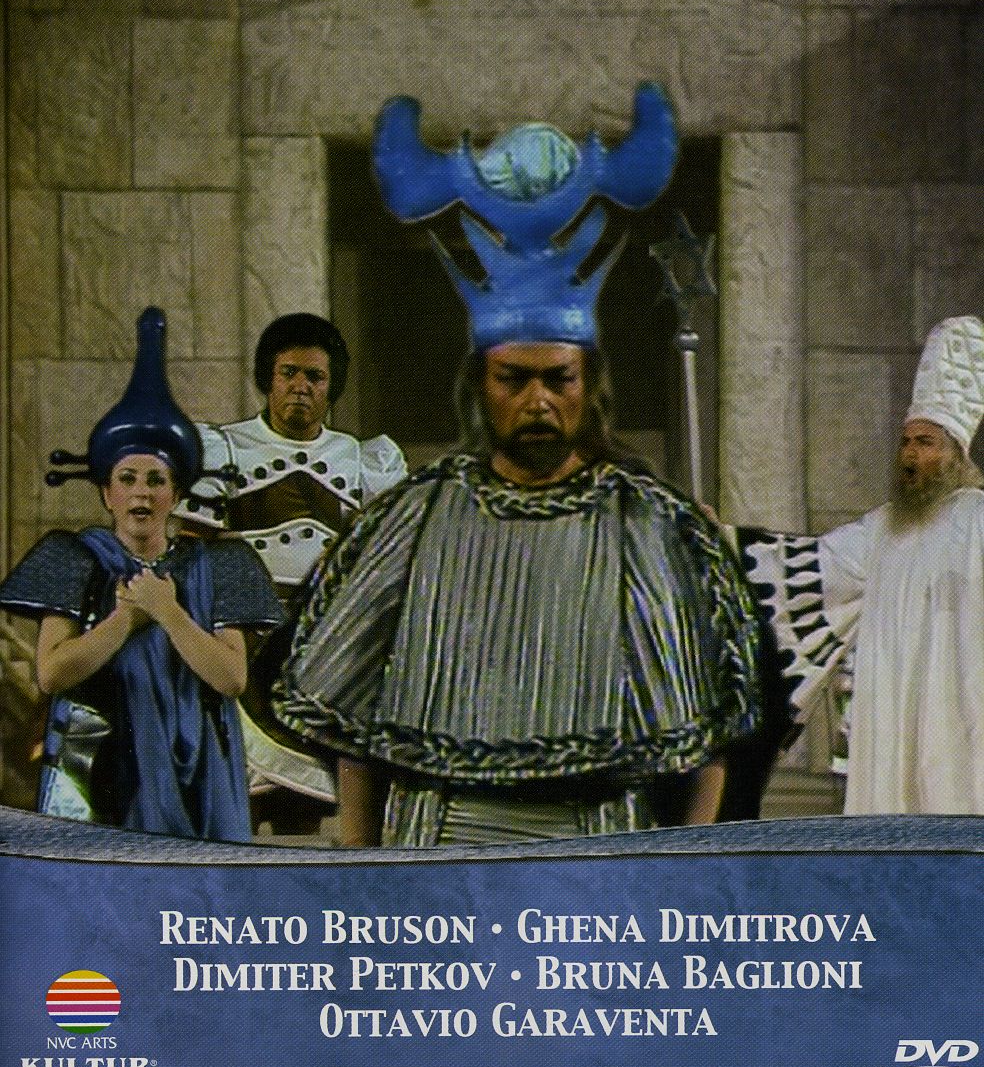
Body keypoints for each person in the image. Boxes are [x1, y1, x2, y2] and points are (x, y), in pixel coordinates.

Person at [274, 88, 762, 848]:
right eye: (515, 380)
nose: (538, 400)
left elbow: (709, 736)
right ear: (481, 386)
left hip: (596, 846)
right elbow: (352, 722)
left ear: (587, 386)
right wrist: (360, 861)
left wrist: (680, 859)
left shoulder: (650, 522)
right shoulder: (412, 520)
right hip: (436, 843)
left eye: (558, 379)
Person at [0, 308, 282, 841]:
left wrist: (168, 612)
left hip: (202, 777)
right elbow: (53, 674)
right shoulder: (75, 558)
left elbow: (231, 678)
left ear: (176, 494)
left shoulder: (220, 563)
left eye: (156, 480)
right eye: (127, 478)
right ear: (107, 493)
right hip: (98, 766)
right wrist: (126, 620)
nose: (142, 493)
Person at [733, 314, 984, 815]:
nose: (909, 455)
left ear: (955, 454)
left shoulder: (979, 521)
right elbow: (802, 569)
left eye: (925, 443)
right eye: (906, 442)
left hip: (965, 718)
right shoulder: (882, 530)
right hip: (892, 719)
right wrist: (715, 540)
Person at [179, 312, 406, 825]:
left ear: (331, 388)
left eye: (315, 377)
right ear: (269, 378)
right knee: (237, 802)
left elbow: (386, 560)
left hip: (324, 647)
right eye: (289, 374)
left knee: (309, 802)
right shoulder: (225, 448)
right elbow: (191, 552)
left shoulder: (362, 459)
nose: (300, 387)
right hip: (239, 641)